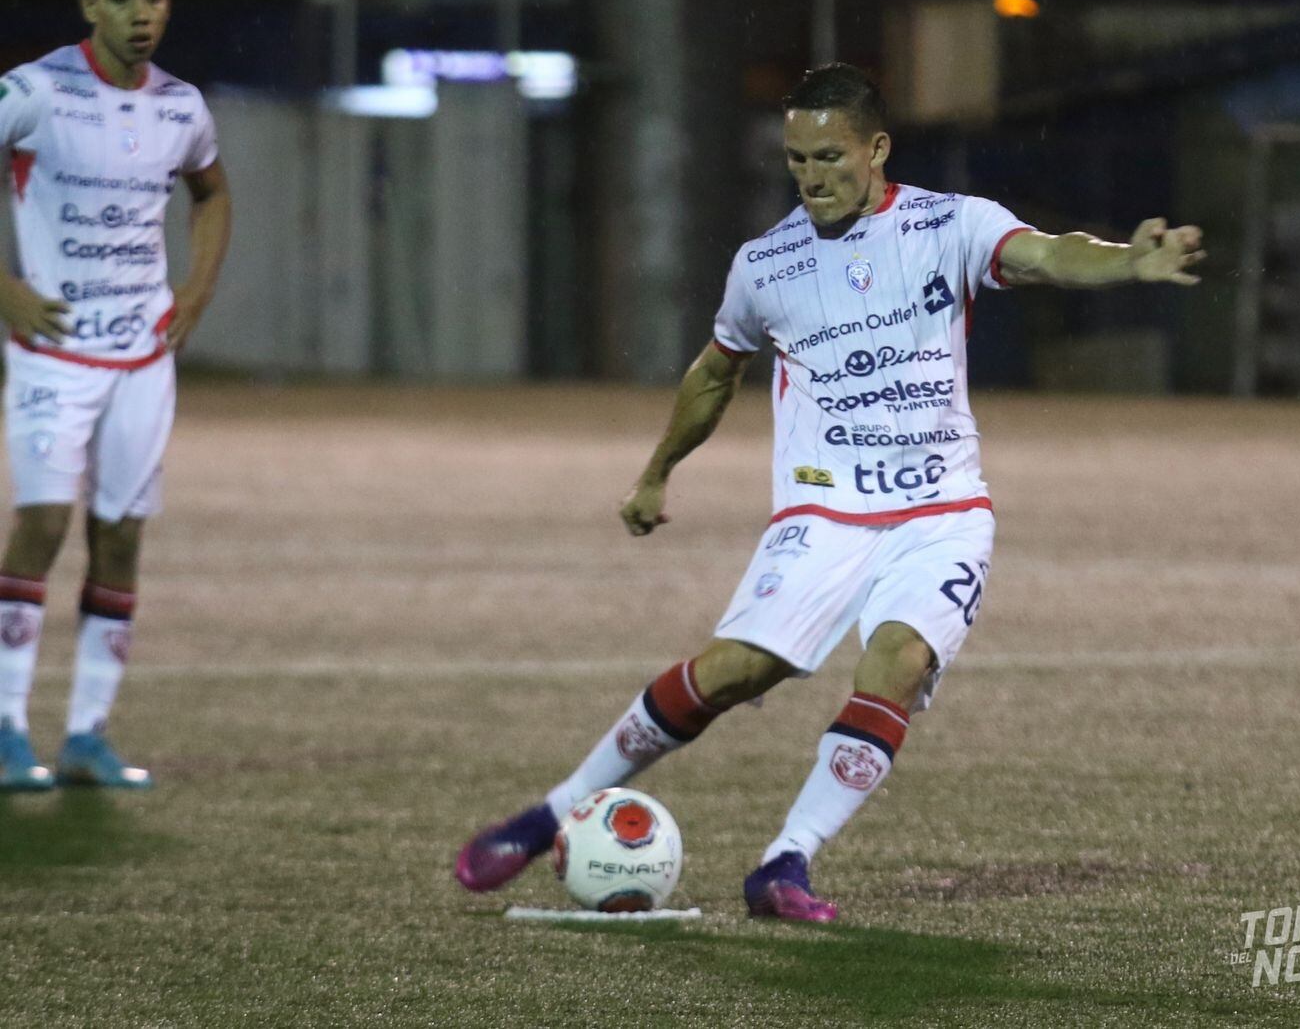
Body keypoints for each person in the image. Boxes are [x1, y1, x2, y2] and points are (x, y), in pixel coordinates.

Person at [455, 63, 1202, 919]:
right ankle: (549, 812)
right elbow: (713, 373)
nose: (811, 177)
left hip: (942, 512)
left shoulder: (948, 225)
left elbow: (1045, 256)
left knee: (899, 660)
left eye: (830, 158)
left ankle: (785, 863)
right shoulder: (766, 264)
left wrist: (1126, 265)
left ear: (877, 149)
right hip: (824, 511)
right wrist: (658, 470)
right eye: (797, 159)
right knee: (738, 670)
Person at [0, 0, 231, 791]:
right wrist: (7, 288)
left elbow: (211, 191)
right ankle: (5, 728)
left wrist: (195, 290)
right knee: (42, 522)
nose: (143, 15)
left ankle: (88, 737)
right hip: (54, 352)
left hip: (141, 356)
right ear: (90, 5)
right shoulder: (34, 91)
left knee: (122, 534)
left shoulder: (180, 105)